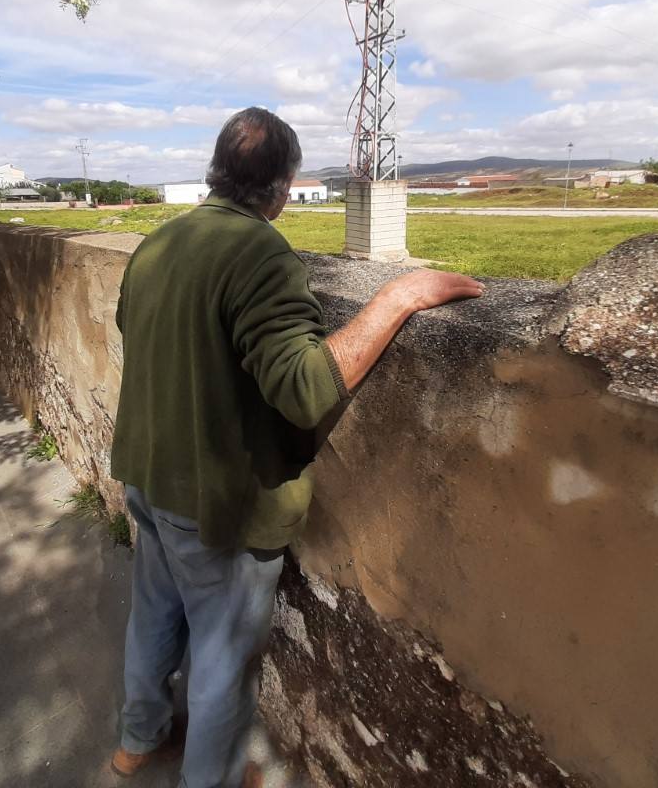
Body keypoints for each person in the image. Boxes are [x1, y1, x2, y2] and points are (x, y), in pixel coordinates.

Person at [109, 107, 484, 788]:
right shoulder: (258, 253)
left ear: (216, 174)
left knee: (154, 614)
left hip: (147, 475)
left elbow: (135, 326)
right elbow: (305, 387)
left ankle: (138, 740)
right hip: (216, 504)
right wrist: (398, 298)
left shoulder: (160, 242)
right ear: (283, 187)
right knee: (223, 660)